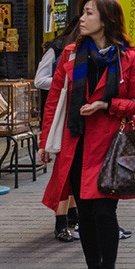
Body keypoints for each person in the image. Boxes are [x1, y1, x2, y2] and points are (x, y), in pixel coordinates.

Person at [37, 0, 135, 269]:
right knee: (84, 214)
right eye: (82, 13)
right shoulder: (71, 55)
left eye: (88, 13)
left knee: (103, 211)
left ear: (106, 19)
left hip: (110, 147)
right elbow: (54, 100)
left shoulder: (130, 58)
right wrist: (46, 141)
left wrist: (107, 104)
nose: (81, 20)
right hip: (76, 143)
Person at [35, 15, 81, 243]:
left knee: (77, 174)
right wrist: (62, 81)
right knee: (64, 171)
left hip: (81, 121)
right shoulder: (59, 50)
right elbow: (41, 81)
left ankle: (73, 218)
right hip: (65, 118)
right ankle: (62, 221)